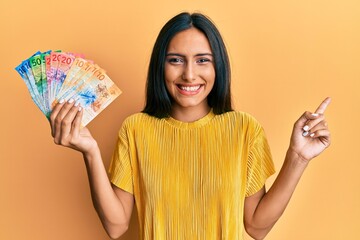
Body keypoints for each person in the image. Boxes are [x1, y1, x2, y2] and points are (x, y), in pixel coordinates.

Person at [49, 12, 331, 240]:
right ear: (161, 66)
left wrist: (298, 157)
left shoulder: (245, 129)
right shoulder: (135, 129)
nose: (189, 74)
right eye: (175, 60)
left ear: (217, 67)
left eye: (202, 61)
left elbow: (257, 226)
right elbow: (116, 226)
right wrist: (90, 151)